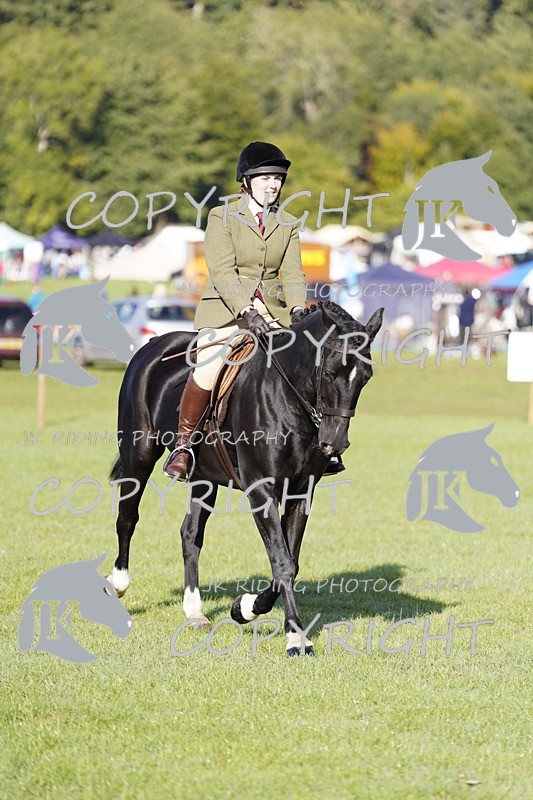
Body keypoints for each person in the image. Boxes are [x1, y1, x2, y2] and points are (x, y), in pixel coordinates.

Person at [163, 141, 307, 480]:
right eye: (265, 178)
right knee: (209, 366)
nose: (273, 185)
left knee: (306, 363)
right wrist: (247, 311)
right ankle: (183, 446)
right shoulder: (221, 217)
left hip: (273, 313)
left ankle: (314, 448)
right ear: (246, 180)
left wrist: (298, 309)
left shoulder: (288, 224)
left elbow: (292, 274)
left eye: (278, 179)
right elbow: (223, 272)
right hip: (228, 312)